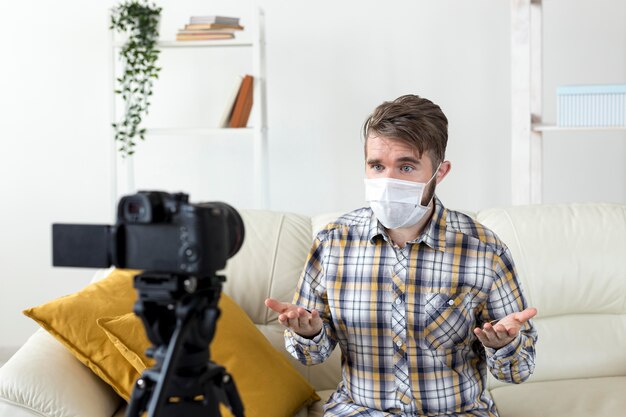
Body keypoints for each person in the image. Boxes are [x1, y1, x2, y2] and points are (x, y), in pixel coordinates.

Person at [265, 95, 537, 417]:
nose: (388, 181)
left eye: (406, 167)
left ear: (440, 172)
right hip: (359, 411)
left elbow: (517, 371)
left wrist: (503, 344)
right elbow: (311, 355)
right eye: (377, 166)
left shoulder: (483, 249)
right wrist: (307, 332)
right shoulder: (332, 242)